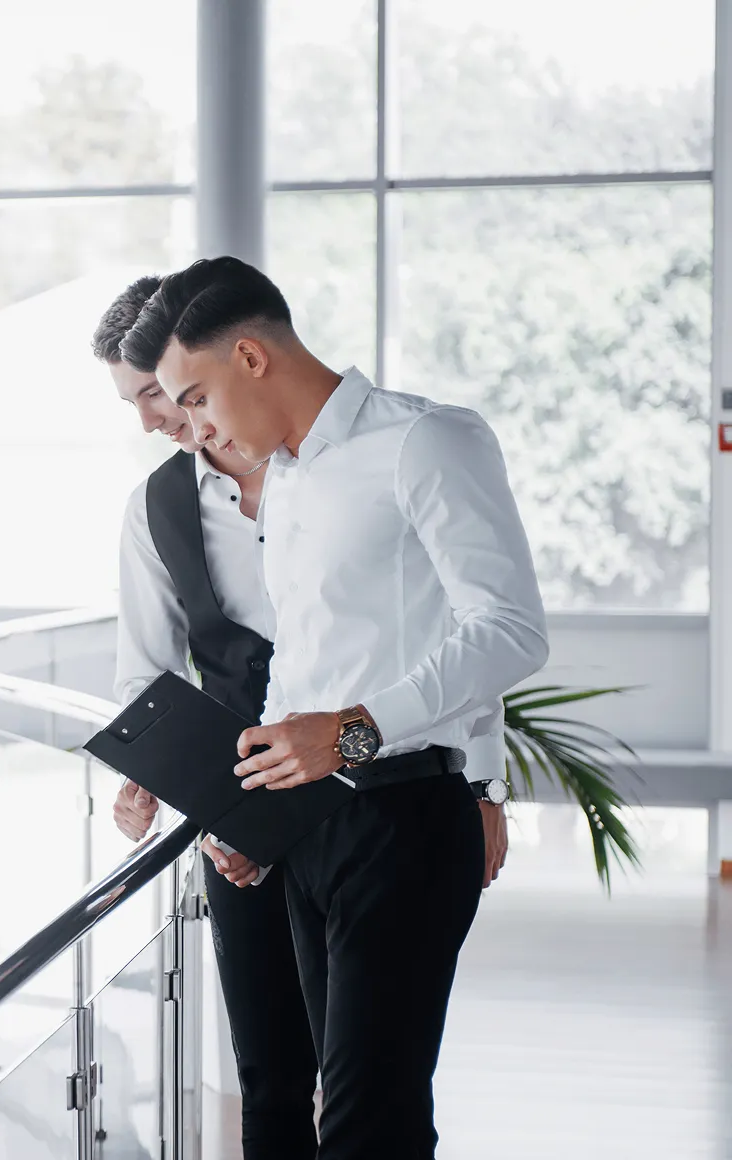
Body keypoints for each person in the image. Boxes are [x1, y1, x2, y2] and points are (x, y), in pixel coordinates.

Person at [119, 256, 548, 1160]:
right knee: (319, 1103)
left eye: (194, 398)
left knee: (368, 1122)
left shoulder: (426, 441)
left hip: (404, 821)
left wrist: (358, 733)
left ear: (250, 357)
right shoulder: (295, 479)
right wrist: (254, 813)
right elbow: (298, 676)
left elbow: (509, 631)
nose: (191, 427)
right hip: (309, 827)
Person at [92, 276, 320, 1160]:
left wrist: (481, 783)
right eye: (136, 401)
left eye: (157, 390)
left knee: (369, 1073)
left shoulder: (330, 468)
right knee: (269, 1070)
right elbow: (145, 674)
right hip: (238, 817)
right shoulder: (156, 507)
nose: (154, 417)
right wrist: (147, 776)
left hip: (368, 783)